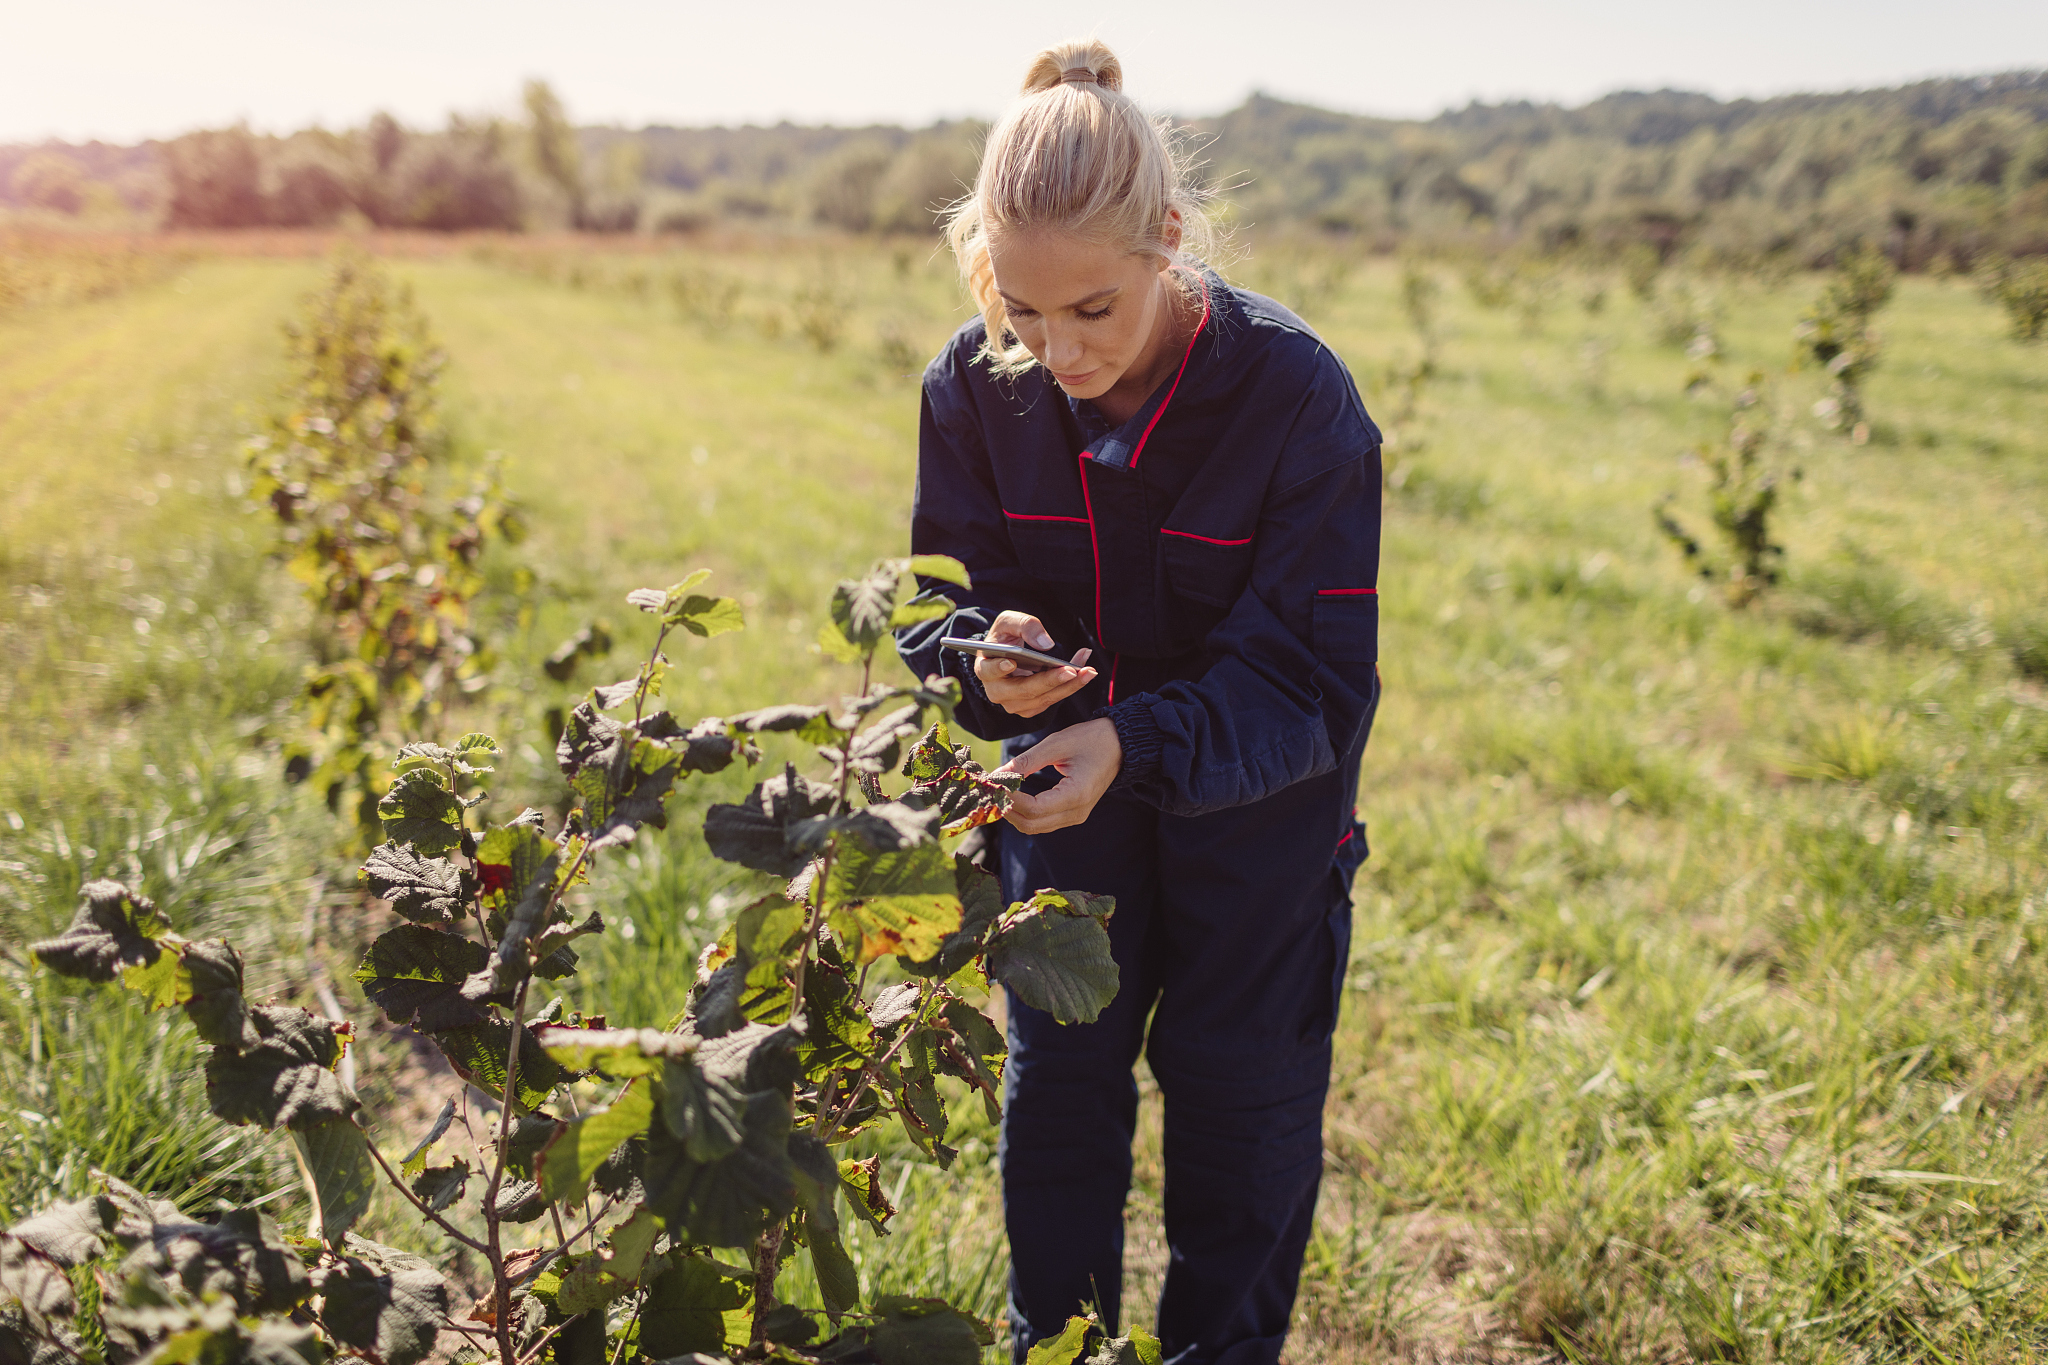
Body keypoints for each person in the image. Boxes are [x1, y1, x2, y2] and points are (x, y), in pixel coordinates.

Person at [893, 38, 1383, 1365]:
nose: (1057, 350)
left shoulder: (1296, 398)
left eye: (1093, 310)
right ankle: (1057, 1349)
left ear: (1168, 239)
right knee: (1059, 1097)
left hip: (1262, 831)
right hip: (1067, 817)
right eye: (1021, 309)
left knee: (1243, 1111)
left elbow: (1312, 683)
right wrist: (980, 656)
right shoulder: (973, 386)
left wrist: (1134, 736)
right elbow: (939, 601)